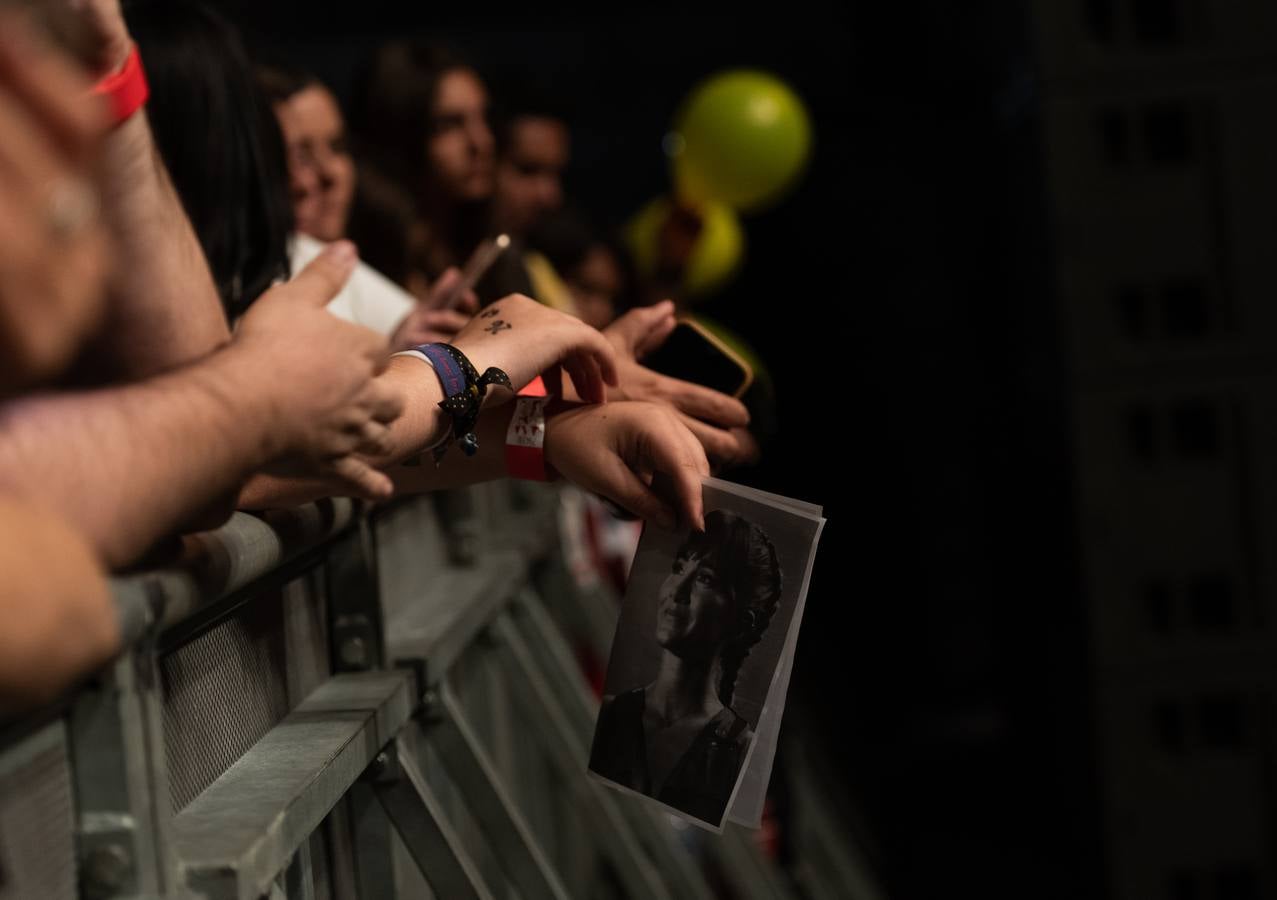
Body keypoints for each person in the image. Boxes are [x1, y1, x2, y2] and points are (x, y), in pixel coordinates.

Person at [589, 510, 783, 825]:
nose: (677, 591)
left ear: (741, 620)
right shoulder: (612, 714)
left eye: (705, 579)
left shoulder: (739, 757)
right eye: (679, 568)